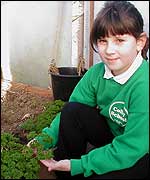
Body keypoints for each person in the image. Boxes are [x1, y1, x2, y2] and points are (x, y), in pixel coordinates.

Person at [28, 1, 149, 179]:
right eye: (103, 41)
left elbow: (131, 147)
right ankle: (63, 172)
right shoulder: (96, 74)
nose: (109, 50)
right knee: (72, 110)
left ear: (140, 42)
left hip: (140, 150)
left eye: (120, 41)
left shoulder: (144, 85)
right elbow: (71, 110)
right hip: (115, 137)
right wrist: (43, 141)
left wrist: (81, 165)